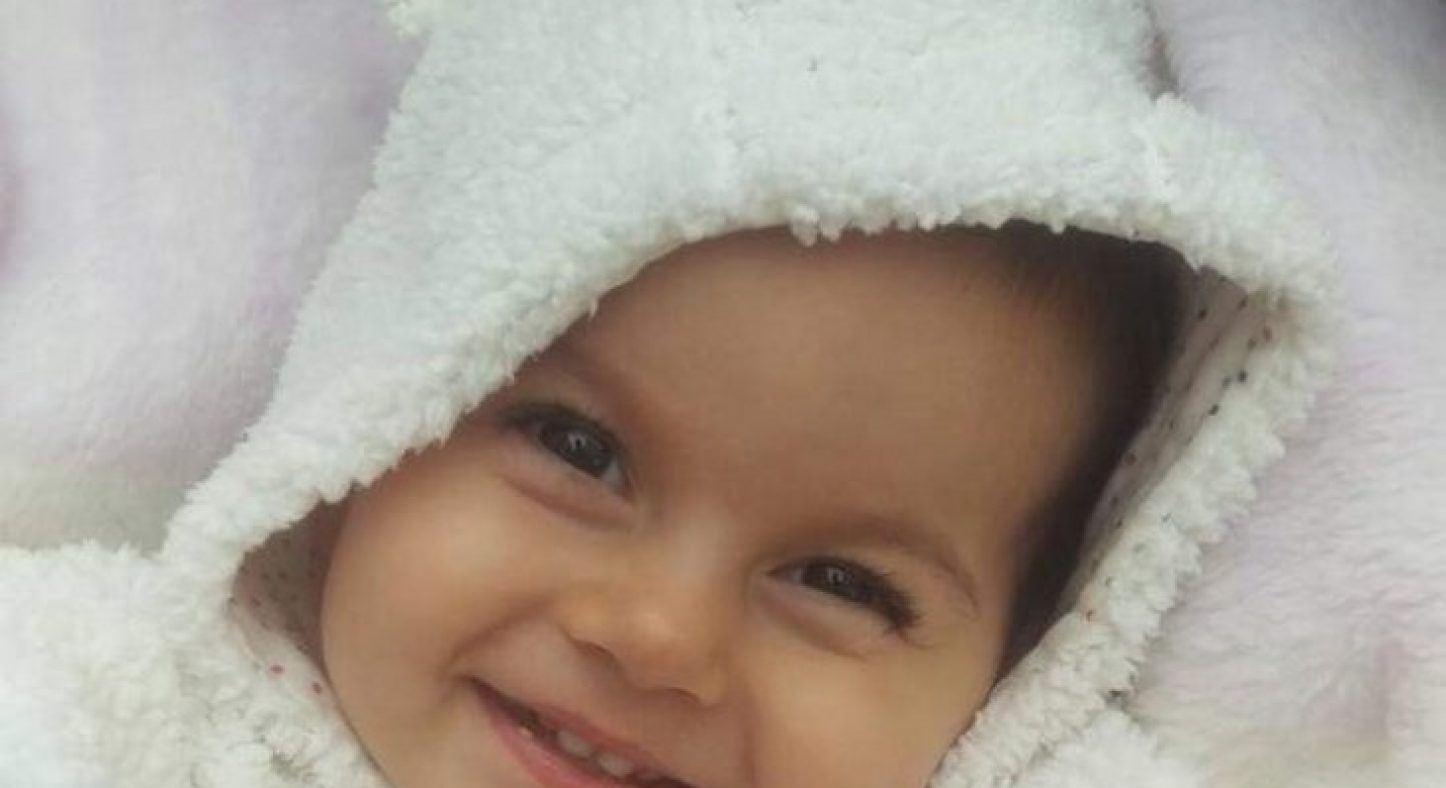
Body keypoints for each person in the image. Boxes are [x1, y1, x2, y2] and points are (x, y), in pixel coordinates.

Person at [0, 1, 1335, 787]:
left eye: (842, 584)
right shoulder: (99, 701)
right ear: (379, 399)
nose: (656, 637)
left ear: (1022, 666)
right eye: (578, 449)